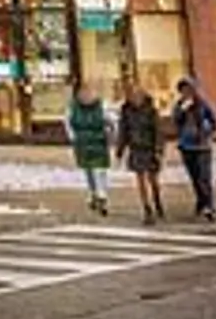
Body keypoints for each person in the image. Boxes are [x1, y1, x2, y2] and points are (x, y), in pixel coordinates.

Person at [115, 82, 166, 224]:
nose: (134, 98)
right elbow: (123, 131)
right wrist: (120, 150)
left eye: (137, 95)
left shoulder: (151, 111)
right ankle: (147, 208)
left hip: (149, 148)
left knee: (153, 180)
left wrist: (158, 150)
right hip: (136, 149)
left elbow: (158, 132)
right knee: (140, 180)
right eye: (131, 95)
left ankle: (157, 201)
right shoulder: (126, 111)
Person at [171, 75, 216, 221]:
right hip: (187, 146)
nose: (186, 92)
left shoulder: (202, 104)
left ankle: (209, 205)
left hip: (202, 146)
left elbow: (214, 122)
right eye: (183, 89)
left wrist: (207, 131)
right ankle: (201, 201)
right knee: (195, 177)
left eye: (188, 89)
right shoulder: (180, 105)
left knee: (205, 176)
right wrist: (183, 110)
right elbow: (176, 121)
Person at [65, 88, 112, 216]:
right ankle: (95, 193)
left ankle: (100, 194)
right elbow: (68, 123)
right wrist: (73, 137)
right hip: (86, 142)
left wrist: (109, 132)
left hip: (94, 141)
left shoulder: (101, 106)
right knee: (90, 169)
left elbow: (110, 121)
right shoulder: (74, 107)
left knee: (98, 169)